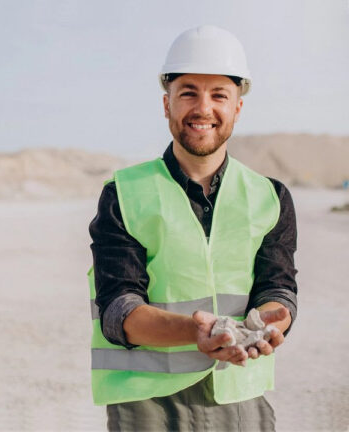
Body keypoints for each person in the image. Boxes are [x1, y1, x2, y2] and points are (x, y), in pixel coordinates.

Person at [87, 25, 297, 431]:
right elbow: (118, 309)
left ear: (237, 107)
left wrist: (272, 321)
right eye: (189, 93)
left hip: (238, 395)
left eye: (219, 95)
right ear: (166, 104)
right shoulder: (125, 194)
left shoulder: (269, 196)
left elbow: (279, 287)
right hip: (145, 404)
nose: (203, 108)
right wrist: (198, 333)